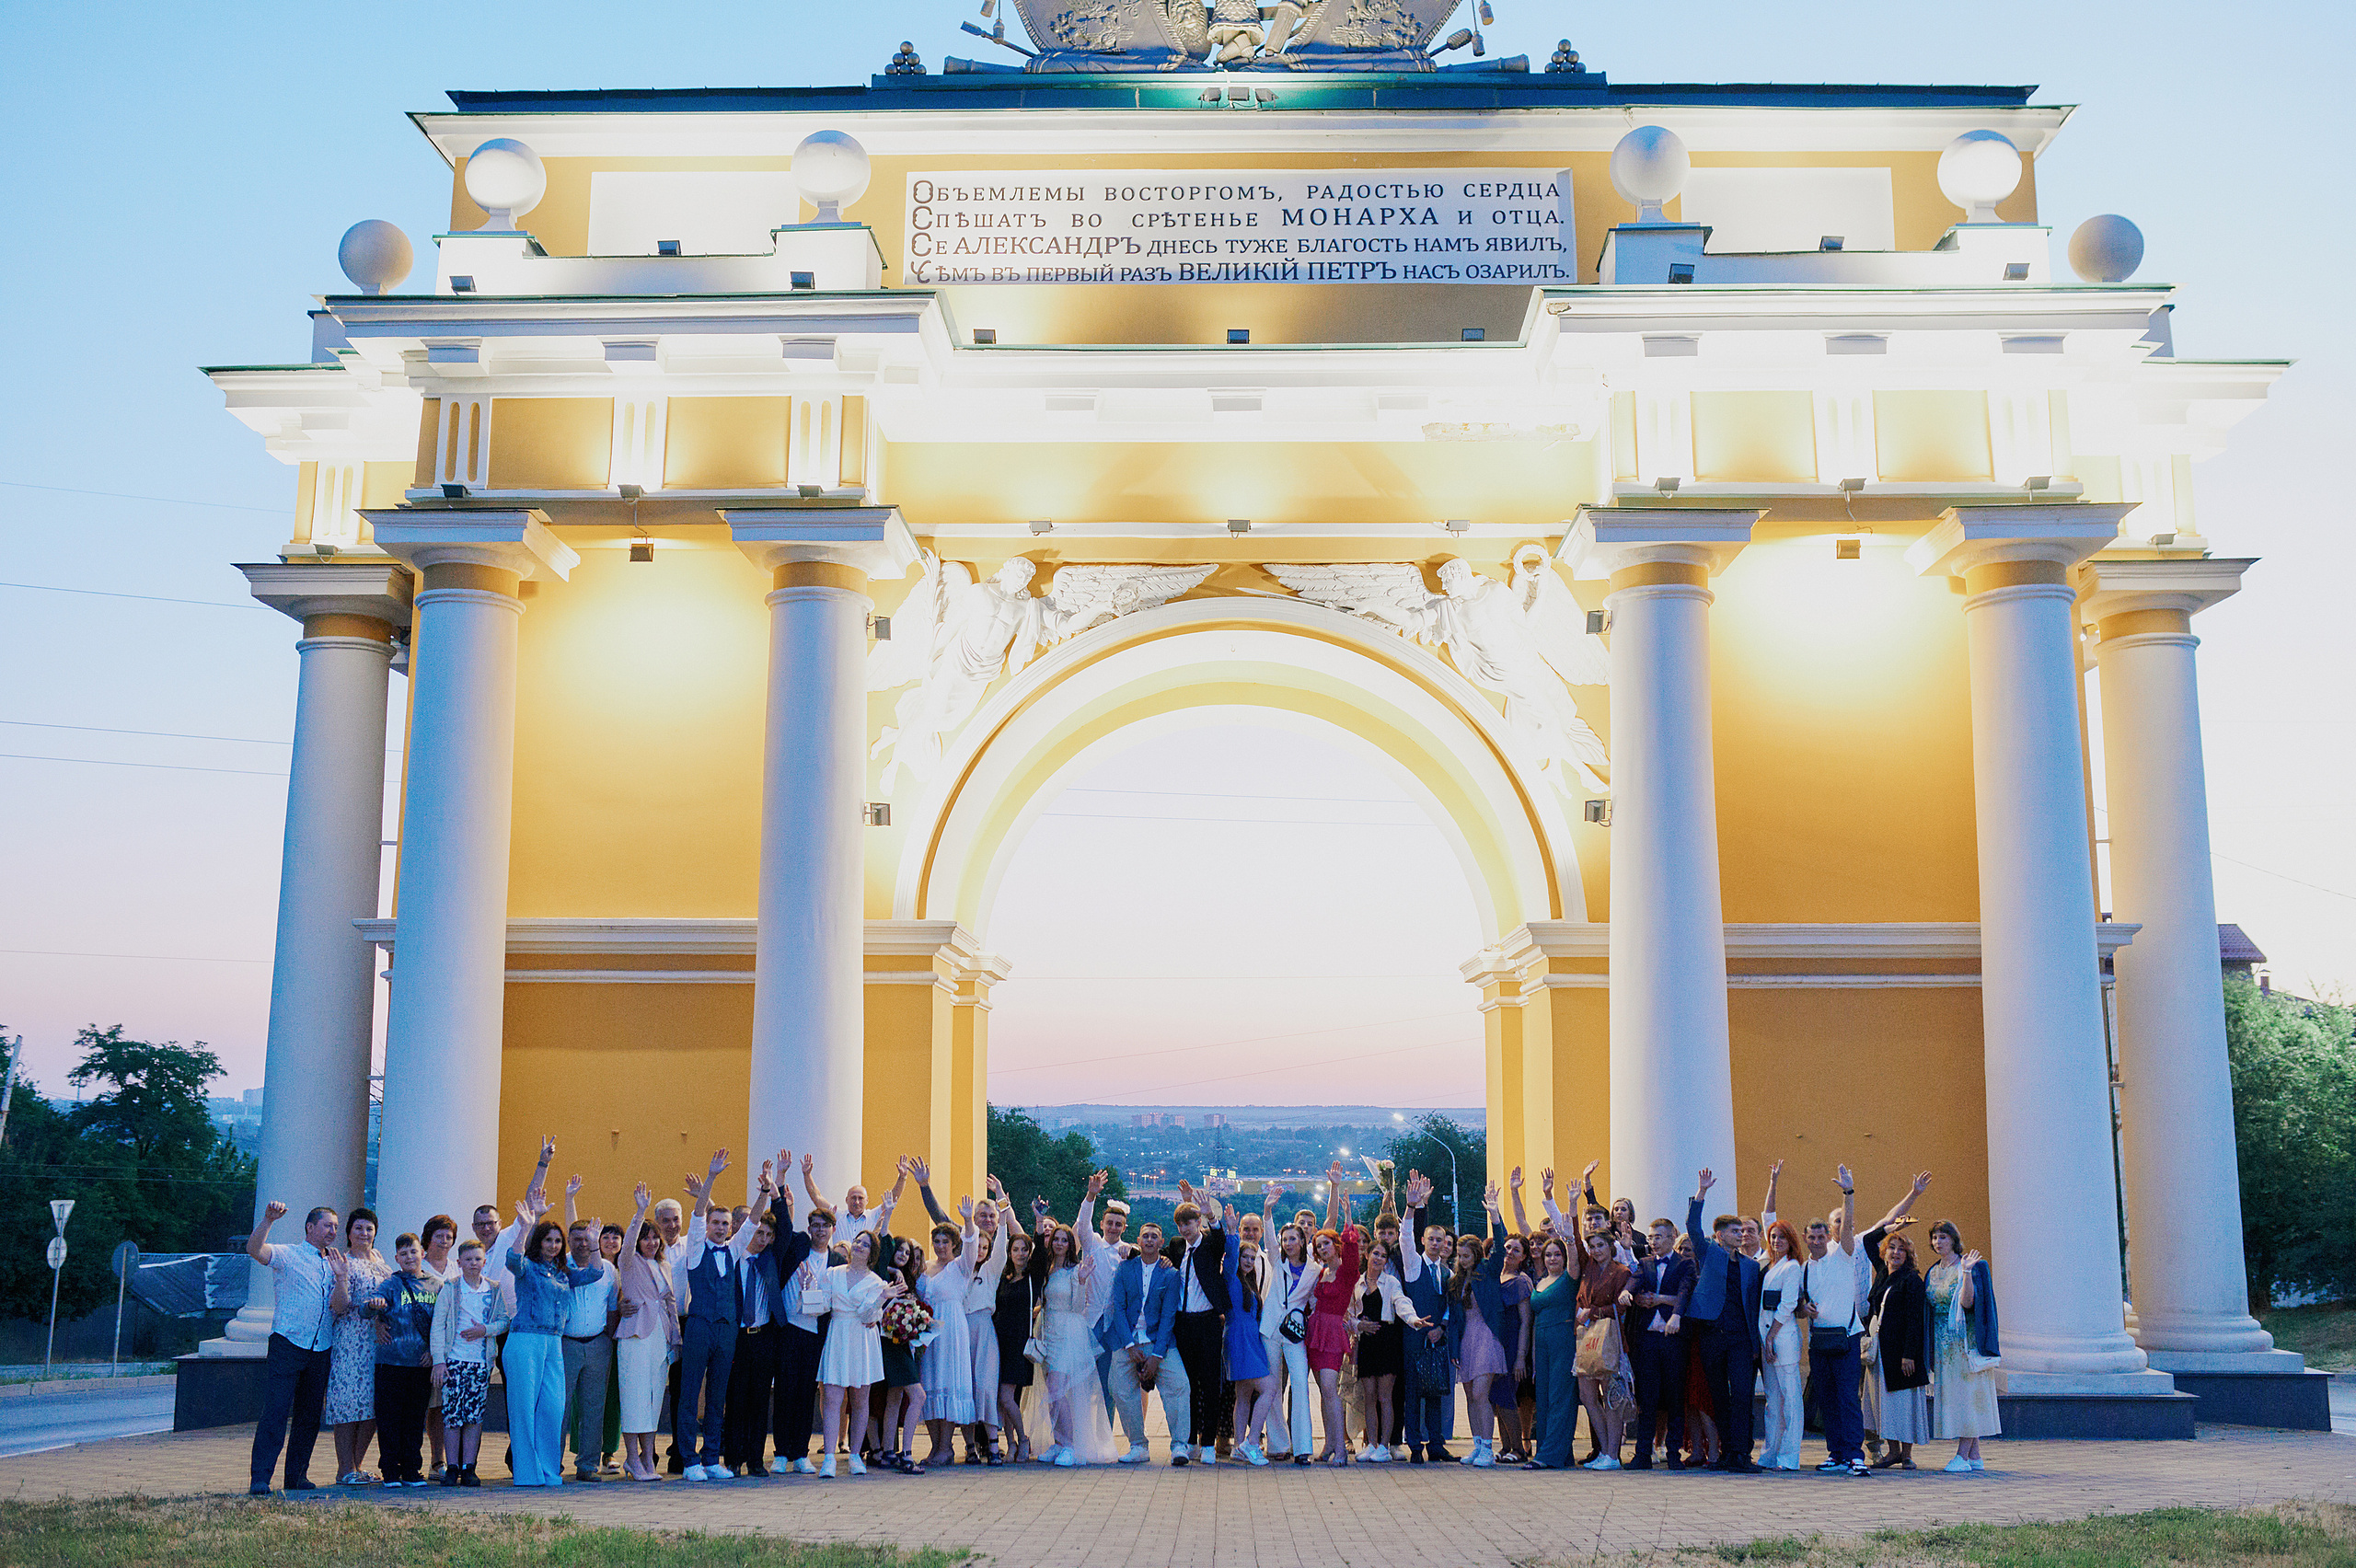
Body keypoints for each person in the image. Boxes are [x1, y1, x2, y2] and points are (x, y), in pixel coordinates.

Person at [505, 1200, 605, 1487]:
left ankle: (549, 1471)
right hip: (525, 1340)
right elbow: (512, 1261)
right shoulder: (528, 1267)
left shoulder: (563, 1273)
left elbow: (595, 1273)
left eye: (558, 1241)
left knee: (552, 1408)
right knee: (524, 1409)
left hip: (553, 1343)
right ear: (539, 1242)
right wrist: (525, 1228)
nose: (553, 1245)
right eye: (548, 1240)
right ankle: (527, 1474)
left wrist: (594, 1244)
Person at [245, 1201, 341, 1495]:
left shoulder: (335, 1261)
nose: (333, 1231)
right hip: (288, 1343)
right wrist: (267, 1221)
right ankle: (261, 1478)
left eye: (336, 1227)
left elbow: (340, 1305)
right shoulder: (289, 1254)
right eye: (327, 1225)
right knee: (275, 1411)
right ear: (310, 1227)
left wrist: (342, 1276)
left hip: (321, 1346)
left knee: (309, 1416)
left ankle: (297, 1476)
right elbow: (254, 1250)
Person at [672, 1148, 753, 1482]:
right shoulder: (695, 1249)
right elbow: (696, 1215)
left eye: (725, 1224)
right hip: (699, 1326)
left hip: (726, 1329)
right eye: (715, 1223)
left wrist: (766, 1190)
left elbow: (753, 1223)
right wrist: (712, 1177)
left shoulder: (733, 1249)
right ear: (708, 1225)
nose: (720, 1228)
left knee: (718, 1396)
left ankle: (710, 1458)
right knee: (690, 1393)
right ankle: (689, 1460)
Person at [1026, 1216, 1120, 1466]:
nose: (1059, 1243)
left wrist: (1082, 1280)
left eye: (1064, 1240)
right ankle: (1058, 1442)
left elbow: (1078, 1307)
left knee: (1057, 1389)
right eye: (1056, 1239)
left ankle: (1070, 1445)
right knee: (1052, 1390)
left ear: (1070, 1244)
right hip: (1047, 1333)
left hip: (1067, 1333)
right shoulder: (1047, 1269)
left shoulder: (1074, 1271)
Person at [1687, 1167, 1763, 1473]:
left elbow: (1753, 1307)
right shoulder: (1709, 1253)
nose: (1741, 1235)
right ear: (1720, 1236)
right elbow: (1692, 1226)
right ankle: (1726, 1453)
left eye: (1742, 1231)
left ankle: (1742, 1454)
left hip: (1741, 1339)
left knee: (1743, 1395)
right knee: (1719, 1395)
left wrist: (1756, 1343)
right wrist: (1702, 1192)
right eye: (1734, 1231)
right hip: (1712, 1335)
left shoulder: (1751, 1266)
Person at [1797, 1166, 1869, 1477]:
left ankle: (1855, 1456)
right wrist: (1804, 1308)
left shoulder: (1843, 1255)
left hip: (1847, 1338)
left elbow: (1849, 1224)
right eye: (1811, 1237)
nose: (1816, 1241)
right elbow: (1799, 1307)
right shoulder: (1804, 1267)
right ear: (1805, 1238)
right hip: (1820, 1342)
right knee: (1827, 1400)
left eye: (1821, 1236)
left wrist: (1848, 1193)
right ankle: (1836, 1454)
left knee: (1847, 1399)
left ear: (1829, 1235)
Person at [1101, 1216, 1190, 1465]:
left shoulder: (1170, 1274)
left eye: (1154, 1237)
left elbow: (1168, 1316)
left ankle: (1179, 1445)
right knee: (1119, 1387)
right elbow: (1118, 1308)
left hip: (1159, 1341)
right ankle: (1138, 1445)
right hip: (1126, 1340)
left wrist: (1157, 1356)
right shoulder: (1125, 1269)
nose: (1150, 1240)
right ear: (1138, 1241)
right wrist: (1129, 1345)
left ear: (1161, 1242)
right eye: (1146, 1236)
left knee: (1179, 1385)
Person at [722, 1162, 791, 1478]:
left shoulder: (770, 1260)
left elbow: (786, 1229)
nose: (762, 1239)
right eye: (759, 1233)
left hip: (763, 1337)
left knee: (761, 1400)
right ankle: (733, 1459)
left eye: (767, 1235)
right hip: (737, 1338)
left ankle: (755, 1459)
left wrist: (778, 1191)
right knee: (736, 1399)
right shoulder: (734, 1257)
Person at [817, 1227, 900, 1478]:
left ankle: (855, 1455)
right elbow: (823, 1305)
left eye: (865, 1244)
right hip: (838, 1334)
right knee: (832, 1398)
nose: (858, 1246)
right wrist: (808, 1288)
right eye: (857, 1241)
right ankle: (829, 1458)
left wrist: (881, 1298)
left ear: (872, 1253)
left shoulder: (876, 1282)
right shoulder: (832, 1273)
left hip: (862, 1339)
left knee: (860, 1399)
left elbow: (867, 1316)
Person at [360, 1231, 440, 1487]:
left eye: (413, 1252)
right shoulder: (390, 1284)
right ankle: (390, 1470)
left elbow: (442, 1323)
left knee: (415, 1419)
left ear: (422, 1253)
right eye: (403, 1254)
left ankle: (411, 1469)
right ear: (396, 1258)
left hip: (421, 1365)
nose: (409, 1257)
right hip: (391, 1363)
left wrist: (434, 1351)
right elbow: (364, 1309)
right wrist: (373, 1305)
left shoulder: (436, 1285)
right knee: (389, 1419)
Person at [430, 1239, 510, 1486]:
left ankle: (469, 1466)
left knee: (474, 1417)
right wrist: (439, 1361)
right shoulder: (451, 1288)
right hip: (454, 1361)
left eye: (477, 1259)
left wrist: (485, 1330)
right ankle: (452, 1466)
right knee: (453, 1416)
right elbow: (438, 1325)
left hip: (480, 1363)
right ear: (459, 1262)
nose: (473, 1263)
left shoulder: (493, 1289)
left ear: (484, 1262)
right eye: (468, 1259)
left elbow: (504, 1321)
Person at [321, 1207, 390, 1486]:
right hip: (350, 1341)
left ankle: (357, 1466)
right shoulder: (342, 1262)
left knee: (373, 1405)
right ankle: (344, 1468)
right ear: (349, 1233)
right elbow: (338, 1307)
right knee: (348, 1404)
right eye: (358, 1228)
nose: (364, 1233)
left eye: (369, 1228)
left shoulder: (381, 1262)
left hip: (377, 1342)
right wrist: (341, 1278)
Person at [616, 1183, 680, 1482]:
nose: (651, 1242)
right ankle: (631, 1458)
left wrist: (675, 1340)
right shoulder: (629, 1262)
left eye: (655, 1237)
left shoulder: (663, 1265)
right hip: (635, 1337)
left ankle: (647, 1459)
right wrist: (640, 1212)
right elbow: (627, 1245)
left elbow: (671, 1303)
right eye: (646, 1237)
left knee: (654, 1401)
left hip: (659, 1339)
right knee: (634, 1399)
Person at [1925, 1220, 2000, 1471]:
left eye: (1943, 1237)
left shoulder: (1966, 1266)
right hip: (1942, 1346)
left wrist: (1966, 1273)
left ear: (1954, 1240)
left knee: (1969, 1398)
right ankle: (1974, 1454)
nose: (1938, 1242)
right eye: (1935, 1237)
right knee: (1957, 1397)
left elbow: (1968, 1303)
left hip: (1964, 1344)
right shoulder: (1933, 1271)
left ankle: (1961, 1455)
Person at [917, 1188, 984, 1468]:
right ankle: (935, 1447)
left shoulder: (961, 1267)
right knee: (930, 1386)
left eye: (946, 1241)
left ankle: (946, 1447)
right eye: (937, 1241)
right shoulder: (925, 1268)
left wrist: (968, 1221)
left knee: (947, 1384)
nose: (941, 1245)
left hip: (952, 1330)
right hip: (928, 1334)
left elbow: (972, 1246)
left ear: (954, 1244)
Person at [556, 1202, 621, 1483]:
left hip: (598, 1344)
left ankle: (587, 1465)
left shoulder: (608, 1270)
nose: (583, 1243)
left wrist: (609, 1340)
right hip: (565, 1344)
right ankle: (552, 1464)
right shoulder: (559, 1268)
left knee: (594, 1407)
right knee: (559, 1407)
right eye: (577, 1239)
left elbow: (612, 1308)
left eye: (588, 1239)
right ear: (568, 1241)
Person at [1163, 1186, 1230, 1464]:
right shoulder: (1178, 1245)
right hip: (1183, 1323)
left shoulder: (1209, 1245)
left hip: (1208, 1321)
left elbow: (1221, 1239)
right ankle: (1190, 1439)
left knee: (1211, 1383)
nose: (1184, 1229)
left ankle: (1208, 1443)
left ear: (1198, 1222)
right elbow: (1156, 1254)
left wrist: (1211, 1216)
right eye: (1180, 1224)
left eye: (1189, 1223)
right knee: (1187, 1384)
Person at [775, 1200, 837, 1474]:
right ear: (809, 1228)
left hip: (816, 1335)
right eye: (816, 1225)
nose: (820, 1230)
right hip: (788, 1329)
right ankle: (781, 1453)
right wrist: (782, 1201)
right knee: (784, 1391)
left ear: (833, 1229)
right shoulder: (798, 1246)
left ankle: (800, 1453)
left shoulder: (838, 1261)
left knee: (805, 1394)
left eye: (825, 1226)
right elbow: (783, 1227)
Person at [1625, 1215, 1691, 1470]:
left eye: (1658, 1237)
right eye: (1651, 1237)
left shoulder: (1685, 1264)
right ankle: (1643, 1453)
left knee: (1674, 1397)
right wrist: (1627, 1292)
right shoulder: (1645, 1263)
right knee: (1647, 1398)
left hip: (1673, 1339)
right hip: (1648, 1340)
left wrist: (1673, 1311)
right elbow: (1635, 1281)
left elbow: (1685, 1293)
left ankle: (1673, 1454)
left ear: (1672, 1237)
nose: (1653, 1242)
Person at [957, 1179, 1016, 1464]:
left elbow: (1002, 1238)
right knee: (965, 1387)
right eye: (975, 1246)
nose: (979, 1250)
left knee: (986, 1387)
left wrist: (1001, 1200)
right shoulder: (959, 1270)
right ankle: (970, 1447)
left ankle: (993, 1446)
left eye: (984, 1246)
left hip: (984, 1329)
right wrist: (967, 1221)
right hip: (961, 1330)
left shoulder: (992, 1270)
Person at [1257, 1196, 1318, 1466]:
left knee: (1301, 1385)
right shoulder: (1276, 1260)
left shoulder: (1315, 1270)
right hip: (1270, 1329)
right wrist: (1267, 1210)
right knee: (1271, 1387)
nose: (1288, 1243)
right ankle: (1278, 1444)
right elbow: (1269, 1237)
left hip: (1294, 1333)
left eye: (1293, 1239)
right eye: (1285, 1239)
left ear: (1303, 1241)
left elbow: (1315, 1302)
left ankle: (1303, 1447)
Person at [1572, 1227, 1632, 1470]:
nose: (1596, 1251)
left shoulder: (1621, 1272)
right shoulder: (1588, 1269)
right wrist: (1573, 1215)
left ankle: (1613, 1455)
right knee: (1587, 1396)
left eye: (1600, 1245)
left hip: (1609, 1338)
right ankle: (1605, 1451)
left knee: (1611, 1397)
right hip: (1586, 1338)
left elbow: (1622, 1307)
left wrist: (1594, 1312)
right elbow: (1575, 1243)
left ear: (1610, 1246)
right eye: (1592, 1246)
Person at [1219, 1205, 1276, 1464]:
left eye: (1253, 1258)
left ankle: (1237, 1446)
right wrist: (1232, 1231)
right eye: (1245, 1257)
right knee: (1269, 1389)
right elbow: (1231, 1257)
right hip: (1240, 1340)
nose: (1249, 1262)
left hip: (1250, 1340)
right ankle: (1252, 1442)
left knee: (1243, 1396)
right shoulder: (1231, 1278)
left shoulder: (1248, 1283)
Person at [1870, 1228, 1931, 1469]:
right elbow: (1869, 1241)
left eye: (1901, 1249)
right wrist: (1891, 1225)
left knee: (1905, 1405)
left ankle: (1906, 1455)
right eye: (1891, 1247)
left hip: (1903, 1353)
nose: (1896, 1253)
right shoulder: (1882, 1275)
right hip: (1882, 1351)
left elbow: (1916, 1320)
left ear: (1908, 1255)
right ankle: (1893, 1451)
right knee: (1887, 1405)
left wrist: (1909, 1355)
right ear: (1884, 1252)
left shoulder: (1911, 1279)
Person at [876, 1230, 931, 1472]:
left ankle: (888, 1452)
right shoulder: (885, 1276)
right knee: (918, 1396)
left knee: (895, 1398)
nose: (903, 1255)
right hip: (889, 1344)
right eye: (899, 1250)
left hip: (903, 1344)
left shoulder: (908, 1280)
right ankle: (907, 1455)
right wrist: (892, 1271)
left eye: (907, 1253)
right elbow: (878, 1260)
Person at [1522, 1233, 1579, 1468]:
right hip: (1541, 1342)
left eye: (1557, 1254)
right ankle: (1559, 1454)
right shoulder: (1540, 1281)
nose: (1552, 1258)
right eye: (1548, 1255)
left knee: (1560, 1397)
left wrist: (1569, 1238)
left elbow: (1575, 1258)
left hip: (1563, 1340)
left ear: (1564, 1257)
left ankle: (1549, 1456)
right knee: (1543, 1399)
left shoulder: (1569, 1277)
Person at [1756, 1218, 1806, 1470]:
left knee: (1790, 1399)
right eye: (1773, 1236)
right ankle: (1770, 1454)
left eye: (1782, 1237)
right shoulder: (1771, 1266)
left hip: (1782, 1338)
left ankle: (1789, 1456)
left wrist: (1771, 1337)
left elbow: (1787, 1305)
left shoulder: (1792, 1267)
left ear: (1791, 1240)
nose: (1776, 1241)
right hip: (1767, 1337)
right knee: (1773, 1402)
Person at [416, 1214, 462, 1477]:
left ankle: (442, 1461)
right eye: (439, 1236)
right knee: (427, 1407)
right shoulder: (418, 1268)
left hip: (454, 1350)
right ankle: (416, 1460)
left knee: (445, 1406)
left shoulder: (458, 1269)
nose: (444, 1241)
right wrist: (430, 1349)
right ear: (428, 1238)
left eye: (449, 1237)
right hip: (424, 1350)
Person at [994, 1228, 1041, 1463]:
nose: (1020, 1254)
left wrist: (1039, 1222)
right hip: (999, 1341)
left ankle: (1022, 1439)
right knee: (1005, 1400)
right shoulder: (1003, 1277)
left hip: (1019, 1343)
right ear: (1009, 1252)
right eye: (1015, 1249)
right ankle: (1011, 1444)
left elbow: (1041, 1254)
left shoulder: (1033, 1278)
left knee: (1006, 1396)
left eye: (1024, 1250)